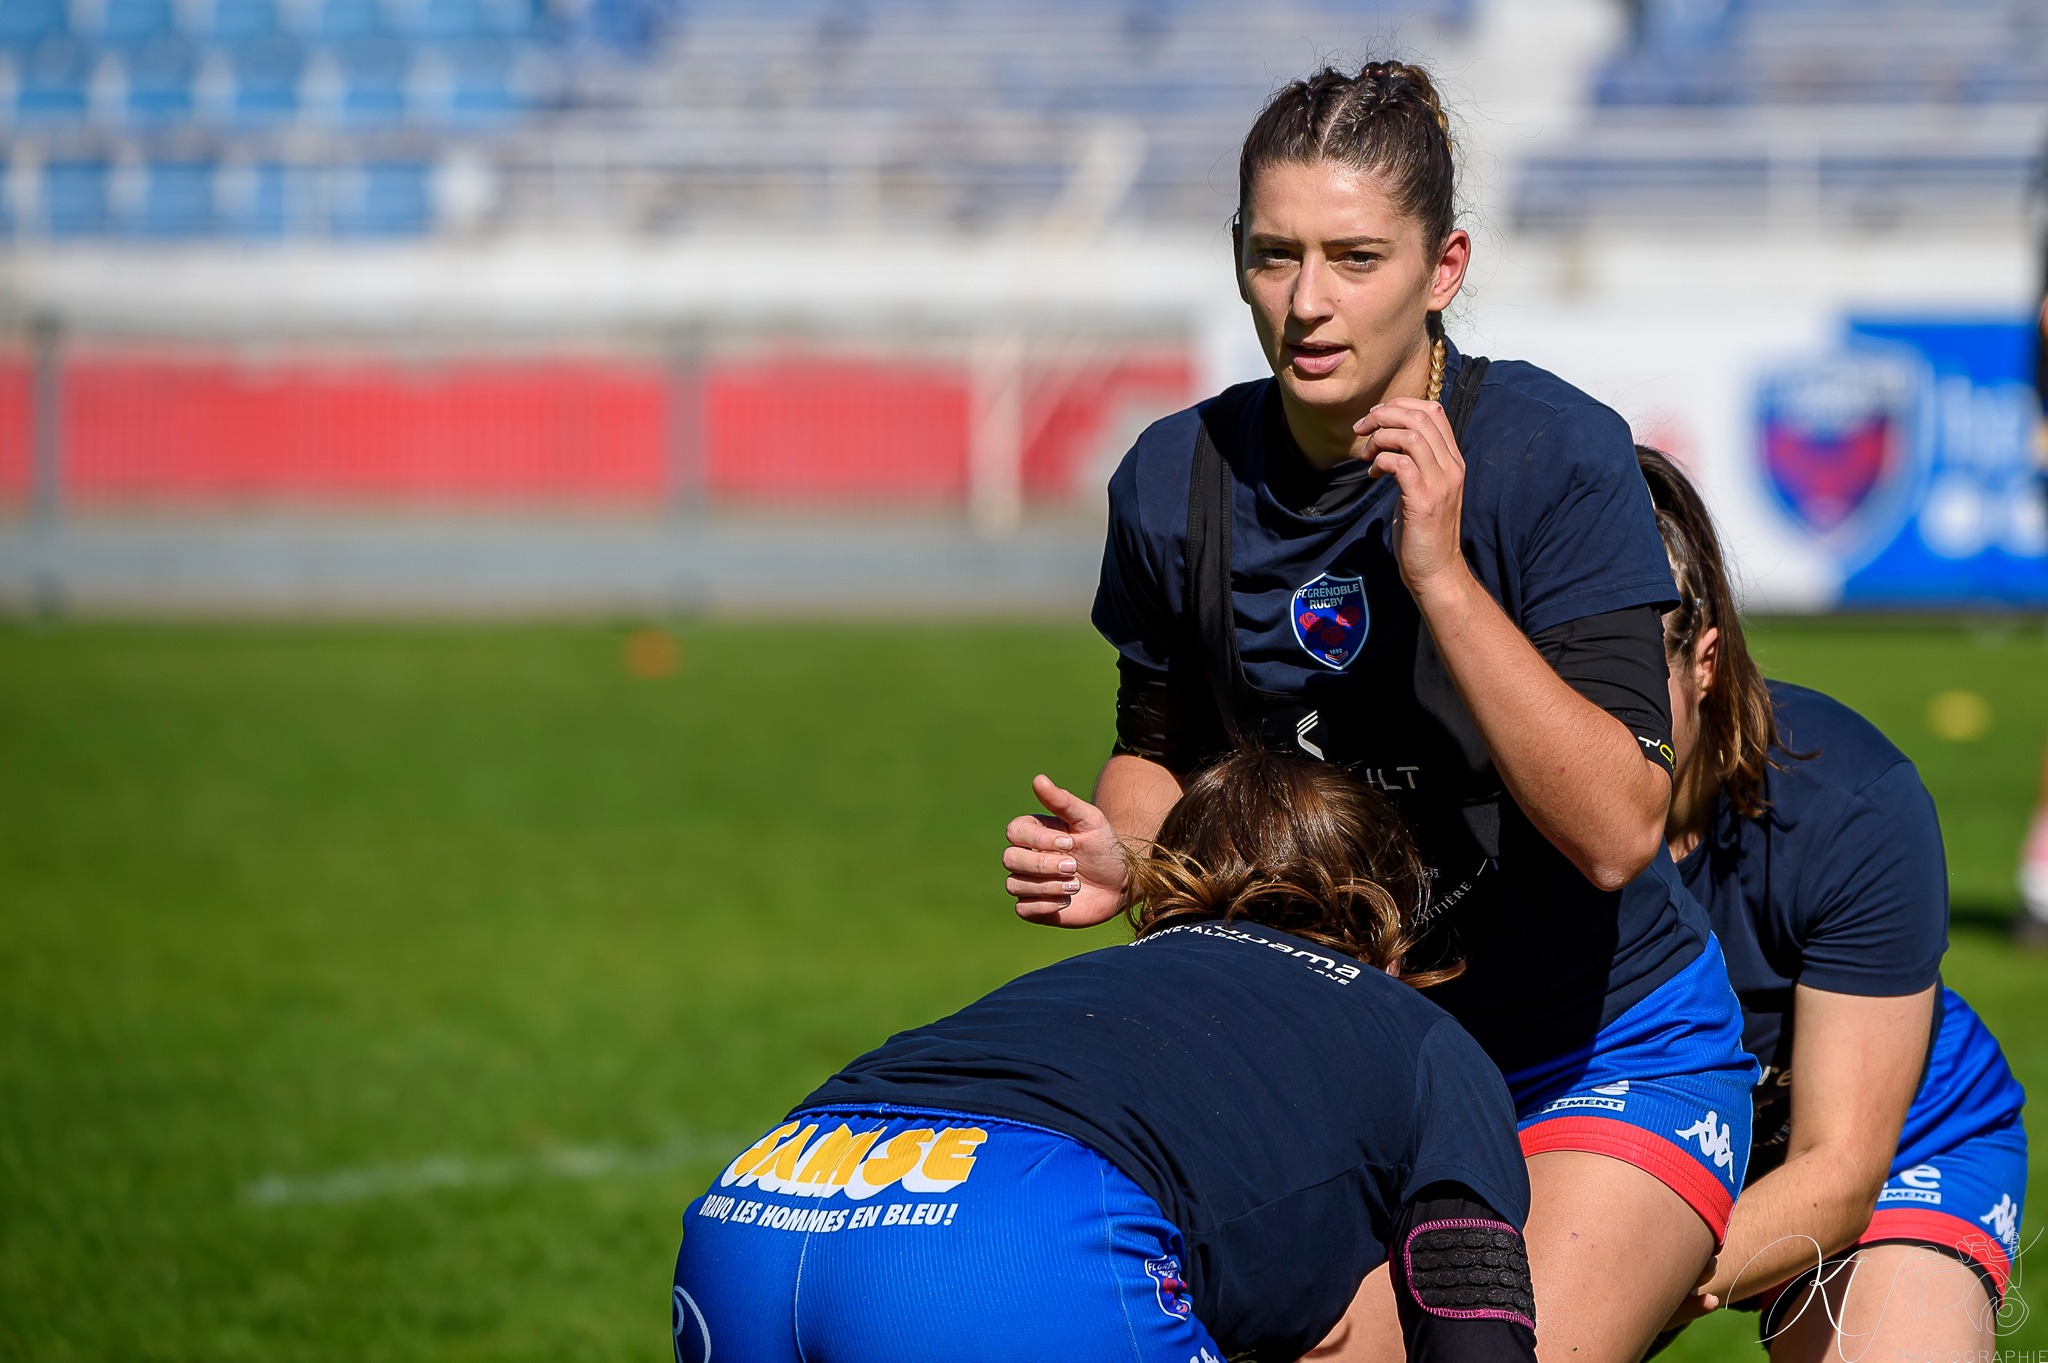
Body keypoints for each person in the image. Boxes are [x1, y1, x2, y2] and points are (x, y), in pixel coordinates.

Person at [1001, 59, 1757, 1363]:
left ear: (1444, 264)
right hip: (1328, 1052)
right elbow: (1155, 749)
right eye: (1277, 255)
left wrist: (1441, 577)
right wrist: (1135, 852)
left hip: (1586, 1049)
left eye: (1355, 256)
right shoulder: (1172, 476)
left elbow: (1620, 828)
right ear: (1238, 256)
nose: (1307, 302)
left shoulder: (1552, 455)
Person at [674, 749, 1538, 1363]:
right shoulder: (1422, 1035)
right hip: (1011, 1244)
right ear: (1387, 918)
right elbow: (1470, 1328)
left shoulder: (1113, 978)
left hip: (763, 1205)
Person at [1638, 446, 2027, 1360]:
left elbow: (1839, 1171)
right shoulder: (1477, 798)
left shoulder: (1850, 801)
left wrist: (1628, 1269)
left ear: (1703, 660)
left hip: (1893, 1147)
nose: (1585, 707)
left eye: (1623, 670)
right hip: (1636, 1145)